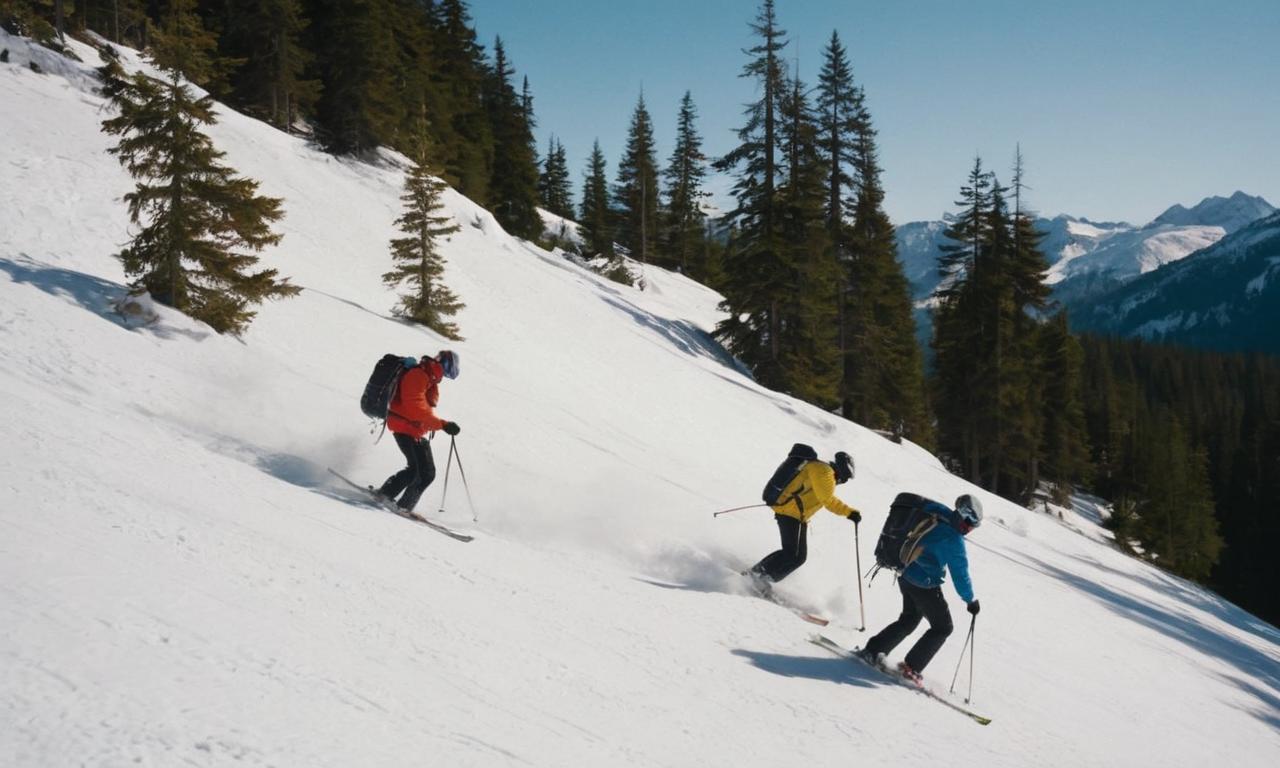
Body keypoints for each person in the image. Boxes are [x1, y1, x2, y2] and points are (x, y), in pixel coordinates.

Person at [859, 493, 983, 684]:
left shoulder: (936, 514)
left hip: (905, 574)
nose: (969, 529)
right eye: (970, 523)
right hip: (924, 583)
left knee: (909, 619)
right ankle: (911, 668)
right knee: (943, 627)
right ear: (962, 516)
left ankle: (874, 650)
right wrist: (970, 600)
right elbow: (960, 575)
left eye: (973, 526)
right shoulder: (954, 540)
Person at [747, 451, 861, 592]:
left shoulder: (822, 470)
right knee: (795, 555)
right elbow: (828, 500)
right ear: (844, 470)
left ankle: (758, 575)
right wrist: (850, 513)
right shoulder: (825, 472)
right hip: (792, 513)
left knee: (793, 554)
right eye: (847, 477)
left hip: (792, 512)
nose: (845, 481)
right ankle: (759, 577)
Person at [375, 350, 461, 513]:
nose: (445, 377)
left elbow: (423, 410)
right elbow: (415, 408)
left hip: (413, 429)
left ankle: (395, 501)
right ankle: (393, 500)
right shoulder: (418, 375)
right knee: (420, 471)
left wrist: (439, 424)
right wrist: (443, 425)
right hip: (403, 425)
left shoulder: (429, 379)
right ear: (444, 365)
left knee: (423, 472)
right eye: (447, 371)